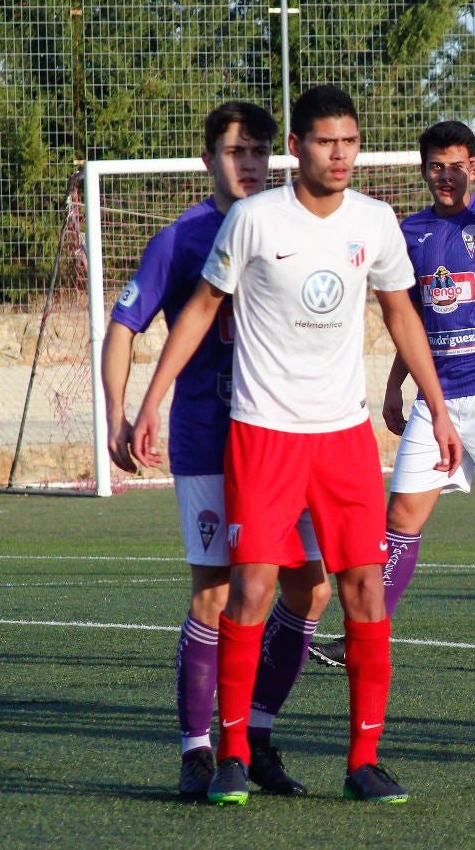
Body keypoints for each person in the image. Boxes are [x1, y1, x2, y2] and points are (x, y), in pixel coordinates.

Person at [132, 85, 463, 806]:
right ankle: (232, 754)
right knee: (249, 590)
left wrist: (438, 409)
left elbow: (402, 315)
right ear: (298, 149)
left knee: (362, 590)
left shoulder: (375, 222)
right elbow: (202, 309)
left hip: (343, 438)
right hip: (265, 435)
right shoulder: (254, 218)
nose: (338, 154)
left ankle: (364, 759)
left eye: (349, 141)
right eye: (324, 141)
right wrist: (151, 399)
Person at [102, 101, 328, 799]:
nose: (251, 165)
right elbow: (124, 326)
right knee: (218, 592)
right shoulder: (181, 238)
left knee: (309, 587)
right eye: (237, 152)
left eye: (260, 152)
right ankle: (198, 748)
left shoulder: (296, 226)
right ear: (209, 161)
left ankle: (255, 733)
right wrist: (120, 412)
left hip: (292, 436)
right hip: (210, 441)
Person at [308, 120, 475, 676]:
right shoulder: (410, 232)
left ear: (474, 166)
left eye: (458, 165)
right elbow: (411, 319)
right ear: (423, 170)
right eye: (436, 166)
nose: (447, 177)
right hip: (438, 398)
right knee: (399, 516)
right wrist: (399, 382)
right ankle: (364, 637)